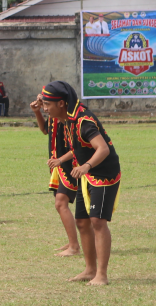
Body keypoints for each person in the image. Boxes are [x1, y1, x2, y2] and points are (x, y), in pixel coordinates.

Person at [41, 81, 121, 286]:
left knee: (98, 222)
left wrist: (86, 166)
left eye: (47, 104)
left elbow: (102, 148)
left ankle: (101, 275)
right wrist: (63, 160)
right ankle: (89, 269)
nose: (45, 108)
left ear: (61, 103)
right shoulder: (68, 118)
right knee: (82, 222)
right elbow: (77, 147)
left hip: (103, 173)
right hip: (86, 173)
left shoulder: (83, 120)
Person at [30, 93, 80, 257]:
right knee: (61, 203)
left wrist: (60, 160)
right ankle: (72, 241)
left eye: (47, 103)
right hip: (59, 165)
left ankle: (74, 246)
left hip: (72, 165)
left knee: (60, 203)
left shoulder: (70, 119)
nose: (45, 107)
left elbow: (79, 147)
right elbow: (45, 130)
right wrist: (37, 112)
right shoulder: (54, 117)